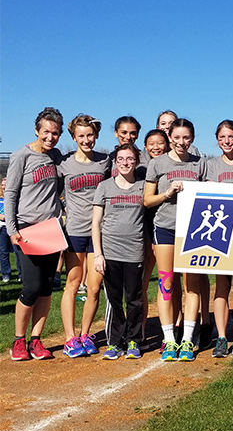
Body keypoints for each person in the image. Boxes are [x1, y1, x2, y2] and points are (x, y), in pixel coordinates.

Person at [145, 118, 208, 362]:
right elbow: (147, 200)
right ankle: (169, 339)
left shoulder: (200, 163)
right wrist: (167, 193)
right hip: (166, 227)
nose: (182, 142)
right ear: (169, 137)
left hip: (193, 230)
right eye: (177, 137)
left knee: (192, 284)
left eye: (186, 138)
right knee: (166, 283)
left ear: (192, 139)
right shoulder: (157, 163)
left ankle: (188, 339)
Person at [6, 107, 64, 361]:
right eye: (46, 132)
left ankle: (37, 339)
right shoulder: (21, 155)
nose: (50, 137)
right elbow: (11, 194)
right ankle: (19, 340)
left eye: (55, 133)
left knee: (46, 288)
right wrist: (12, 229)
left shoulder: (57, 156)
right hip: (27, 229)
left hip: (51, 229)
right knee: (30, 287)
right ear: (36, 131)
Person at [57, 114, 110, 358]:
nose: (86, 140)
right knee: (73, 282)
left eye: (90, 135)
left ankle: (86, 333)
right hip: (75, 230)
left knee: (94, 286)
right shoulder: (64, 164)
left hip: (99, 232)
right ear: (74, 137)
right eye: (81, 136)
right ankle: (70, 337)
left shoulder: (105, 161)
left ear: (96, 135)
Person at [93, 144, 145, 359]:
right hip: (110, 251)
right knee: (114, 300)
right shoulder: (105, 187)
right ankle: (115, 342)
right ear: (115, 162)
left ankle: (133, 340)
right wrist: (98, 254)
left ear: (136, 162)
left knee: (134, 299)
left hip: (134, 251)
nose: (125, 163)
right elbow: (95, 222)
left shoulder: (143, 187)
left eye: (129, 159)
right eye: (121, 159)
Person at [205, 120, 233, 358]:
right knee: (221, 287)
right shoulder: (211, 164)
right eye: (222, 137)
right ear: (217, 139)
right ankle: (221, 337)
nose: (227, 141)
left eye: (231, 137)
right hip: (219, 233)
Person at [140, 129, 170, 343]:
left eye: (160, 143)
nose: (156, 147)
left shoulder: (171, 165)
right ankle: (139, 330)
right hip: (142, 228)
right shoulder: (140, 166)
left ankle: (172, 329)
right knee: (141, 281)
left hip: (165, 226)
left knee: (168, 280)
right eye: (151, 143)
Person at [0, 176, 22, 283]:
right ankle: (6, 274)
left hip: (13, 226)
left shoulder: (15, 197)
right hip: (2, 228)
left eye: (6, 184)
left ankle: (21, 274)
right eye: (2, 184)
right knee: (3, 251)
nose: (4, 186)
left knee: (18, 252)